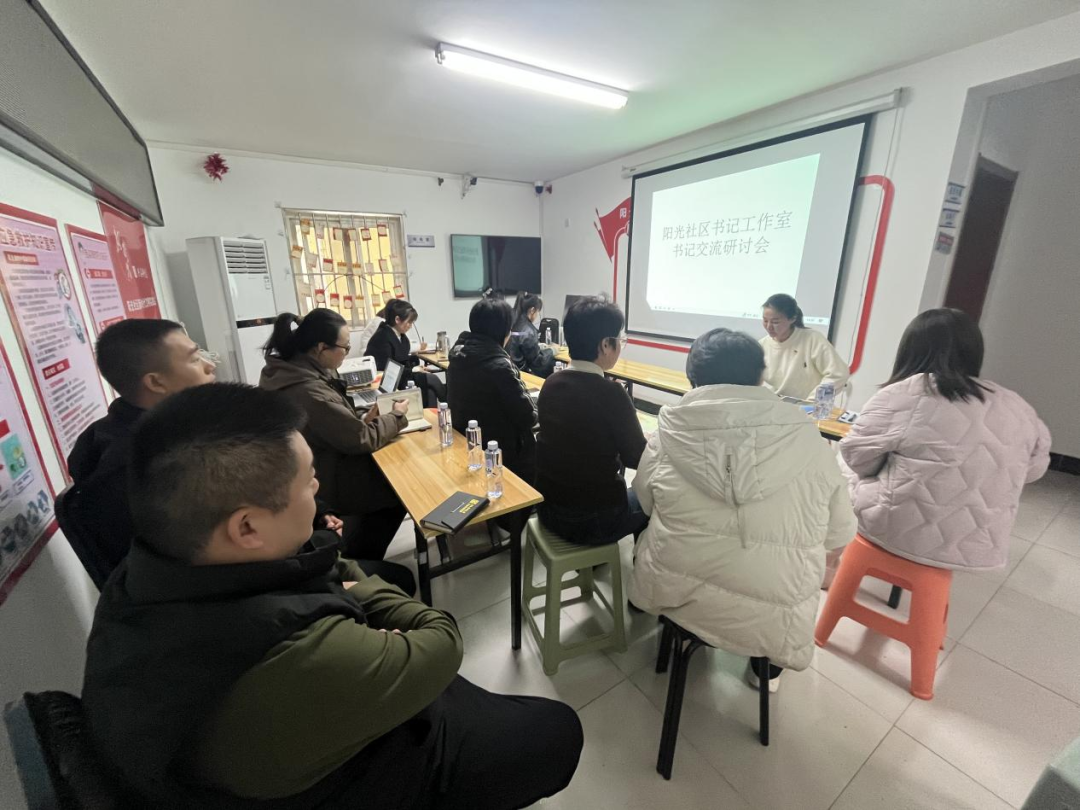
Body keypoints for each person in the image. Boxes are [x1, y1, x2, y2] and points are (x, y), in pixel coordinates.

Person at [81, 383, 583, 809]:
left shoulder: (141, 579)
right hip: (383, 764)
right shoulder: (295, 660)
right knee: (558, 728)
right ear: (247, 527)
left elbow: (328, 562)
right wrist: (364, 597)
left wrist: (345, 580)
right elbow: (441, 640)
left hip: (332, 724)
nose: (318, 491)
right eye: (307, 482)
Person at [629, 328, 856, 691]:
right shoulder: (808, 440)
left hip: (675, 595)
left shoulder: (667, 435)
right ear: (760, 376)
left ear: (693, 379)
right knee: (780, 590)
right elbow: (839, 532)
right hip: (773, 618)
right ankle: (765, 673)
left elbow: (644, 501)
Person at [840, 308, 1051, 571]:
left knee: (838, 466)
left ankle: (830, 562)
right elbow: (1033, 470)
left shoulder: (904, 393)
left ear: (909, 350)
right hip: (978, 546)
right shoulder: (1018, 405)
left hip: (896, 530)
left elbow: (859, 460)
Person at [63, 319, 217, 584]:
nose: (209, 366)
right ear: (156, 382)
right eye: (194, 359)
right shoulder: (147, 464)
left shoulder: (155, 432)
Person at [260, 309, 410, 562]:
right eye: (345, 347)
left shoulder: (287, 371)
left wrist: (363, 417)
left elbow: (338, 423)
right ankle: (358, 562)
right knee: (397, 487)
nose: (347, 352)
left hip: (314, 466)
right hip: (327, 476)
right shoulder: (309, 391)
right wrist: (396, 416)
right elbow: (360, 439)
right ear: (321, 348)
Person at [536, 297, 648, 546]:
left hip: (548, 510)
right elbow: (637, 458)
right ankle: (639, 563)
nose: (620, 346)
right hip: (593, 521)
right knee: (652, 496)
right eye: (620, 340)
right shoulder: (612, 393)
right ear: (606, 345)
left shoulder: (551, 384)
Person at [447, 297, 538, 485]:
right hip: (502, 454)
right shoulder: (499, 366)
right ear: (504, 331)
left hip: (469, 441)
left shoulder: (458, 356)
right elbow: (528, 417)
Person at [759, 293, 850, 400]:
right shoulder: (762, 345)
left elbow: (838, 374)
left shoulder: (812, 339)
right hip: (772, 403)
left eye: (775, 322)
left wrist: (814, 401)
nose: (769, 326)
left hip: (806, 405)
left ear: (792, 319)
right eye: (765, 320)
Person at [365, 299, 446, 406]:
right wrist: (414, 369)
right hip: (391, 381)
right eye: (409, 322)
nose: (410, 326)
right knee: (432, 379)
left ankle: (435, 411)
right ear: (397, 319)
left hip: (403, 375)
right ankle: (449, 404)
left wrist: (416, 367)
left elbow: (402, 358)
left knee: (430, 390)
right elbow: (388, 369)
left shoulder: (398, 335)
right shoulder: (382, 338)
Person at [507, 291, 556, 378]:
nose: (537, 315)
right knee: (552, 365)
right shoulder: (529, 330)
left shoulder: (514, 322)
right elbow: (538, 361)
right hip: (524, 373)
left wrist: (538, 346)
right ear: (532, 310)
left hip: (512, 369)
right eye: (537, 312)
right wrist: (553, 350)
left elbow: (519, 345)